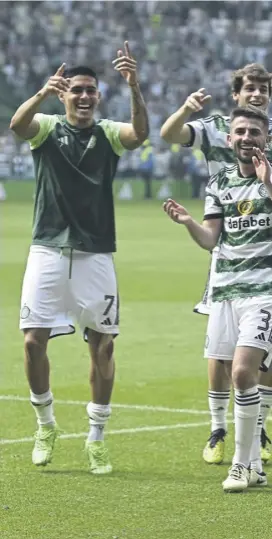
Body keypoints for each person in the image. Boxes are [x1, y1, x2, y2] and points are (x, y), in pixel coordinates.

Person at [10, 41, 149, 474]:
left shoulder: (108, 133)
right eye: (77, 90)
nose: (85, 96)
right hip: (48, 248)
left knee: (103, 347)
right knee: (33, 341)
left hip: (95, 255)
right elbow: (18, 125)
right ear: (64, 94)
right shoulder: (48, 127)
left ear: (98, 96)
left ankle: (96, 438)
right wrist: (40, 93)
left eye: (91, 90)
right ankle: (45, 424)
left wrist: (134, 86)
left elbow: (139, 134)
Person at [160, 64, 272, 465]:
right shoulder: (216, 128)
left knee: (259, 352)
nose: (257, 94)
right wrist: (185, 109)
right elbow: (170, 135)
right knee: (221, 349)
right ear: (237, 93)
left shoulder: (269, 133)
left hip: (265, 257)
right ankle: (218, 427)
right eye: (250, 88)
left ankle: (257, 430)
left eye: (263, 88)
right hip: (225, 250)